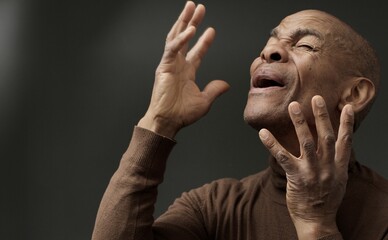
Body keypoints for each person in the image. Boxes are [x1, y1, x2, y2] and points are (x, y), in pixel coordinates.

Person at [91, 2, 388, 239]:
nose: (267, 53)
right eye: (269, 45)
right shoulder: (214, 207)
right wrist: (158, 120)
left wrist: (316, 224)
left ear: (355, 93)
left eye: (305, 45)